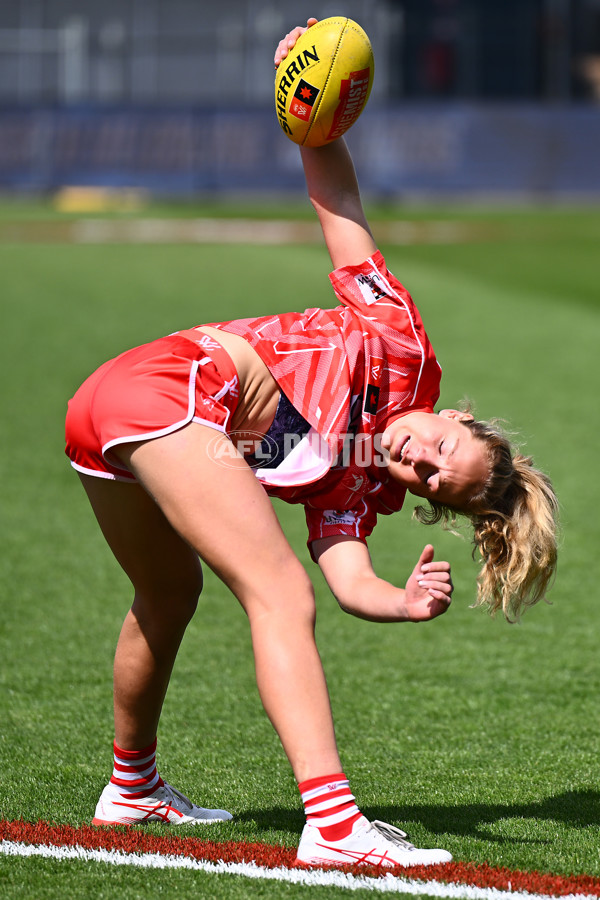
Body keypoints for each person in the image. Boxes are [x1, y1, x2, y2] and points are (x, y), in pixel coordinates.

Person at [64, 18, 558, 869]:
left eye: (436, 486)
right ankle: (333, 825)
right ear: (460, 416)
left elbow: (350, 577)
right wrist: (313, 120)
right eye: (446, 449)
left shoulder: (360, 483)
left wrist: (400, 604)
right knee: (275, 592)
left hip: (124, 417)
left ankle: (131, 787)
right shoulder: (400, 339)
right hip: (163, 388)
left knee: (171, 594)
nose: (425, 465)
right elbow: (340, 204)